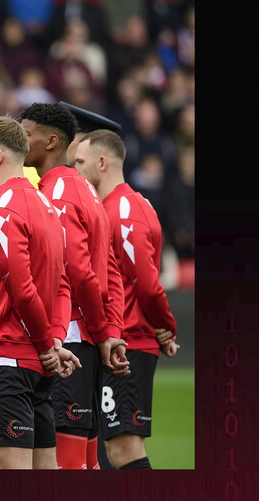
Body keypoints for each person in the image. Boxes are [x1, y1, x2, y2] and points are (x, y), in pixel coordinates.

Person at [18, 102, 130, 470]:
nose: (20, 138)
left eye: (26, 131)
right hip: (85, 336)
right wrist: (109, 330)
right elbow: (109, 267)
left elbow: (78, 271)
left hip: (70, 337)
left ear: (51, 141)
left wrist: (100, 332)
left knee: (66, 466)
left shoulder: (58, 193)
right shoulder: (80, 186)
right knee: (88, 463)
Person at [0, 115, 80, 470]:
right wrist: (56, 340)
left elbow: (20, 287)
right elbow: (63, 284)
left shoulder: (2, 208)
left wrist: (48, 344)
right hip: (39, 365)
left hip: (5, 360)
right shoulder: (45, 205)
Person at [72, 129, 180, 470]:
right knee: (106, 447)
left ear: (102, 163)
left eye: (80, 162)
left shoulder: (124, 211)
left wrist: (165, 325)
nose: (74, 169)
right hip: (118, 341)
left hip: (130, 343)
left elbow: (147, 284)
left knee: (123, 448)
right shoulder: (116, 205)